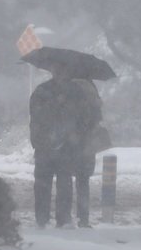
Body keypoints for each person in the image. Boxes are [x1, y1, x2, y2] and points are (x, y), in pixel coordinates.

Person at [29, 71, 101, 228]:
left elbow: (85, 118)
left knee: (58, 182)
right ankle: (50, 218)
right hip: (53, 145)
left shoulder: (74, 92)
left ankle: (57, 218)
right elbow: (36, 115)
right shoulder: (46, 91)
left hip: (60, 146)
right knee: (54, 182)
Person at [73, 78, 109, 228]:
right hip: (87, 145)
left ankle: (63, 218)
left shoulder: (69, 88)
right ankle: (83, 218)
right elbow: (97, 119)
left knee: (65, 180)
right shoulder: (91, 91)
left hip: (70, 142)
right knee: (83, 182)